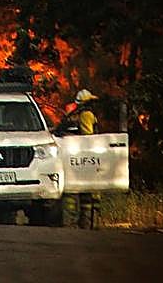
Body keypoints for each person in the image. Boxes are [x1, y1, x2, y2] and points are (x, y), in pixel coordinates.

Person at [61, 88, 101, 228]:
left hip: (72, 158)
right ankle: (87, 223)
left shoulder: (72, 115)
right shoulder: (87, 115)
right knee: (90, 193)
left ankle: (70, 223)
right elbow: (88, 137)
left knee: (72, 192)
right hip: (85, 158)